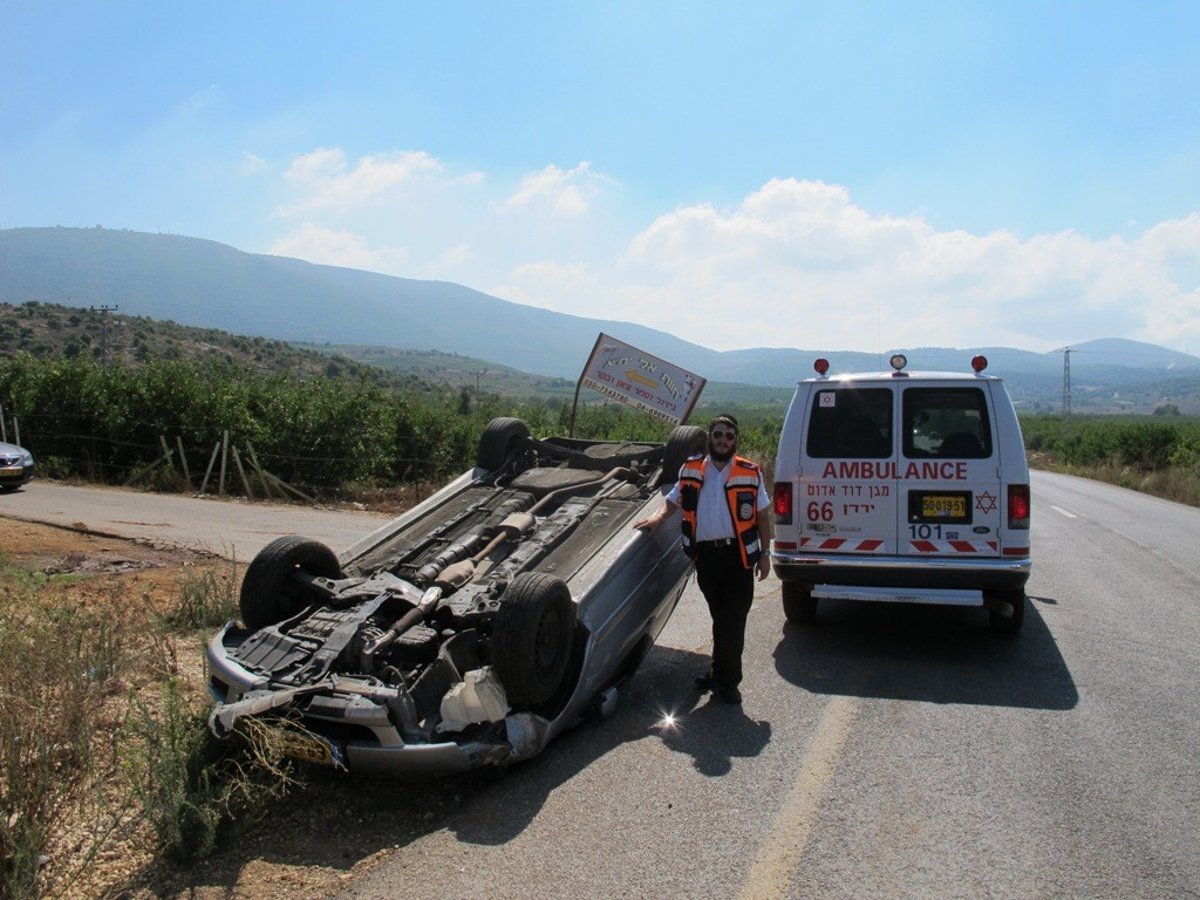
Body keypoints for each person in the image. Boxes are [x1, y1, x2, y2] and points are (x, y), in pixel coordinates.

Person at [634, 414, 771, 704]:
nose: (723, 440)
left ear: (736, 441)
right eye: (718, 434)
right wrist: (656, 519)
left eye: (729, 436)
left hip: (739, 558)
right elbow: (674, 501)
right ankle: (718, 671)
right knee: (720, 617)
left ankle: (729, 682)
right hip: (706, 557)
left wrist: (765, 554)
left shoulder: (749, 472)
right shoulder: (691, 469)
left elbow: (762, 515)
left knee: (732, 620)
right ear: (710, 436)